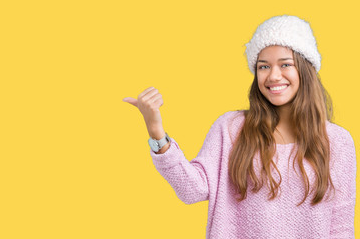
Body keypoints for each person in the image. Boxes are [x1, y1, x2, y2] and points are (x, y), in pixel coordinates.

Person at [122, 15, 357, 238]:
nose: (273, 75)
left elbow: (341, 228)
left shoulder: (338, 140)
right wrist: (156, 130)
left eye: (285, 64)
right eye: (263, 66)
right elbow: (192, 190)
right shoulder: (231, 128)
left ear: (306, 70)